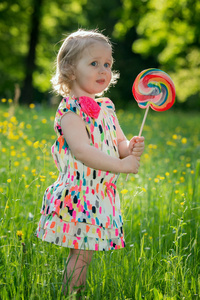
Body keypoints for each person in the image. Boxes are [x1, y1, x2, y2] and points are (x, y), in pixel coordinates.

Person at [36, 29, 145, 298]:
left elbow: (118, 144)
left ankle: (75, 293)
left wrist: (129, 148)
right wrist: (122, 166)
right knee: (81, 251)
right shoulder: (70, 111)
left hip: (101, 195)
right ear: (70, 70)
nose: (103, 70)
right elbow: (83, 151)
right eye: (94, 63)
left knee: (86, 252)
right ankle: (71, 294)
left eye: (107, 64)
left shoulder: (107, 107)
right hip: (80, 194)